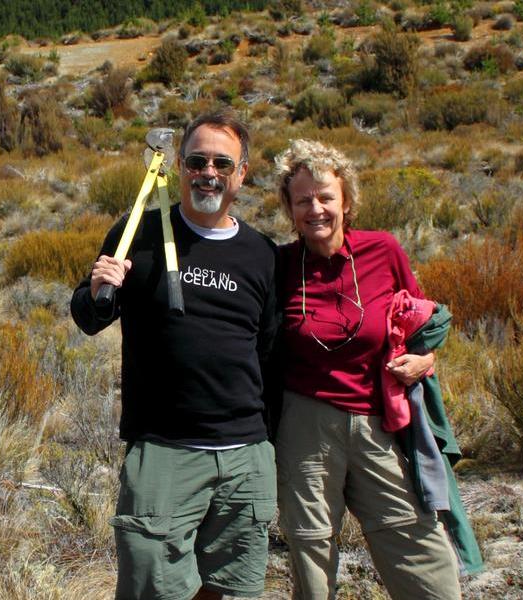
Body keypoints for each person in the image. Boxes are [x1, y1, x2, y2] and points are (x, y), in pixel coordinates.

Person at [69, 111, 281, 600]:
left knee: (230, 589)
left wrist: (268, 446)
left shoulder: (261, 254)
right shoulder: (137, 233)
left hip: (245, 457)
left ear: (241, 174)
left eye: (222, 163)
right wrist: (99, 289)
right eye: (197, 160)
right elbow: (89, 315)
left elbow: (269, 352)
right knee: (154, 587)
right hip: (165, 451)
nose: (208, 172)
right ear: (178, 167)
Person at [270, 139, 483, 600]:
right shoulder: (281, 264)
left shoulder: (383, 251)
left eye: (326, 196)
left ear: (346, 201)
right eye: (303, 199)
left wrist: (427, 360)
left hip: (376, 423)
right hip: (305, 425)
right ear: (289, 207)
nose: (316, 209)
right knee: (310, 546)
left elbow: (417, 319)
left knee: (413, 534)